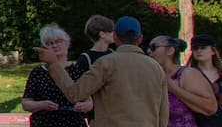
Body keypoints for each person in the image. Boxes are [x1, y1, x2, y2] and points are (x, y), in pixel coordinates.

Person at [37, 16, 168, 127]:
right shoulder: (156, 68)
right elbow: (163, 114)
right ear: (140, 38)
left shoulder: (106, 63)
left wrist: (53, 64)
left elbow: (75, 94)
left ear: (115, 37)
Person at [22, 24, 93, 127]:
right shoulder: (38, 72)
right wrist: (42, 105)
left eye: (58, 41)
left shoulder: (78, 71)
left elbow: (89, 103)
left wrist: (83, 106)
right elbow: (26, 103)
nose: (54, 45)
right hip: (44, 122)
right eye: (49, 43)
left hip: (74, 122)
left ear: (67, 44)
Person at [152, 35, 216, 127]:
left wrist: (174, 89)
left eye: (154, 47)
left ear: (170, 50)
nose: (149, 51)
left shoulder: (187, 74)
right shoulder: (154, 76)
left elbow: (210, 107)